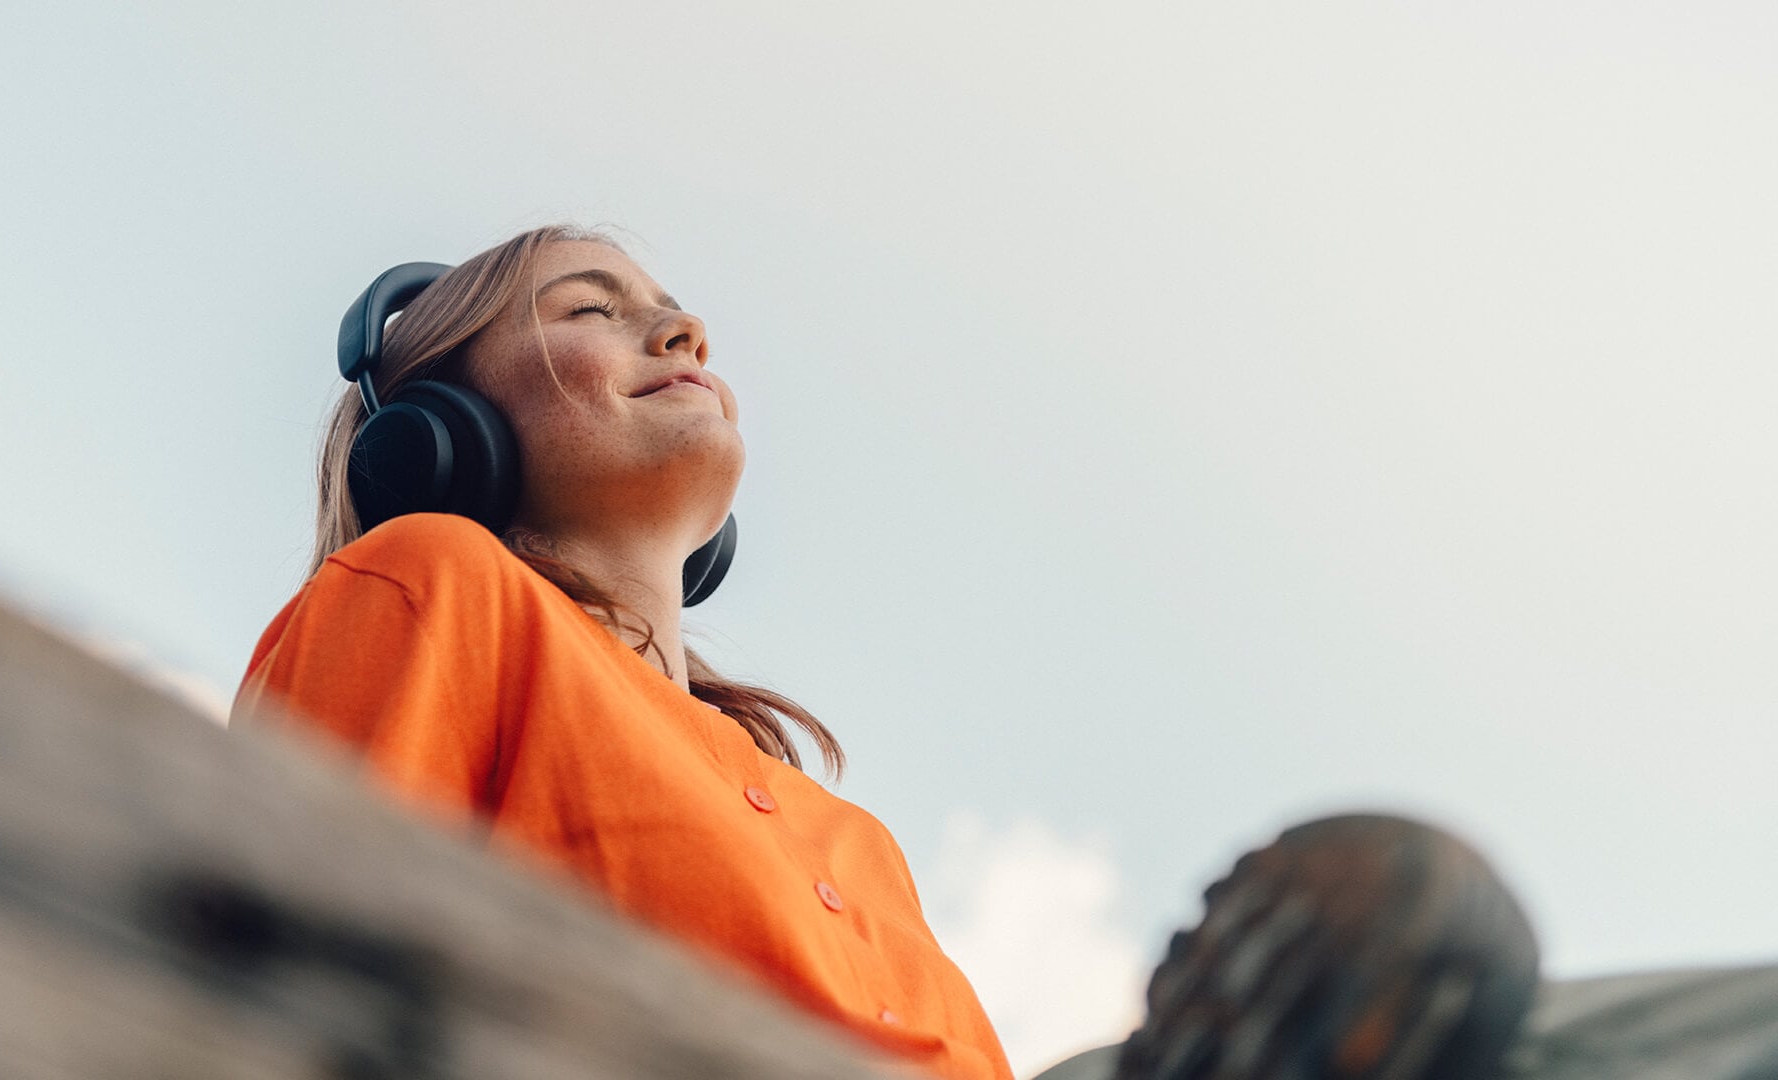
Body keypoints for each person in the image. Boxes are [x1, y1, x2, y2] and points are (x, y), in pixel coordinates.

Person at [234, 224, 1540, 1080]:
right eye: (593, 309)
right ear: (442, 430)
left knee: (1580, 1024)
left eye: (678, 312)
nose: (683, 334)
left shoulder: (846, 840)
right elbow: (273, 970)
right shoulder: (429, 584)